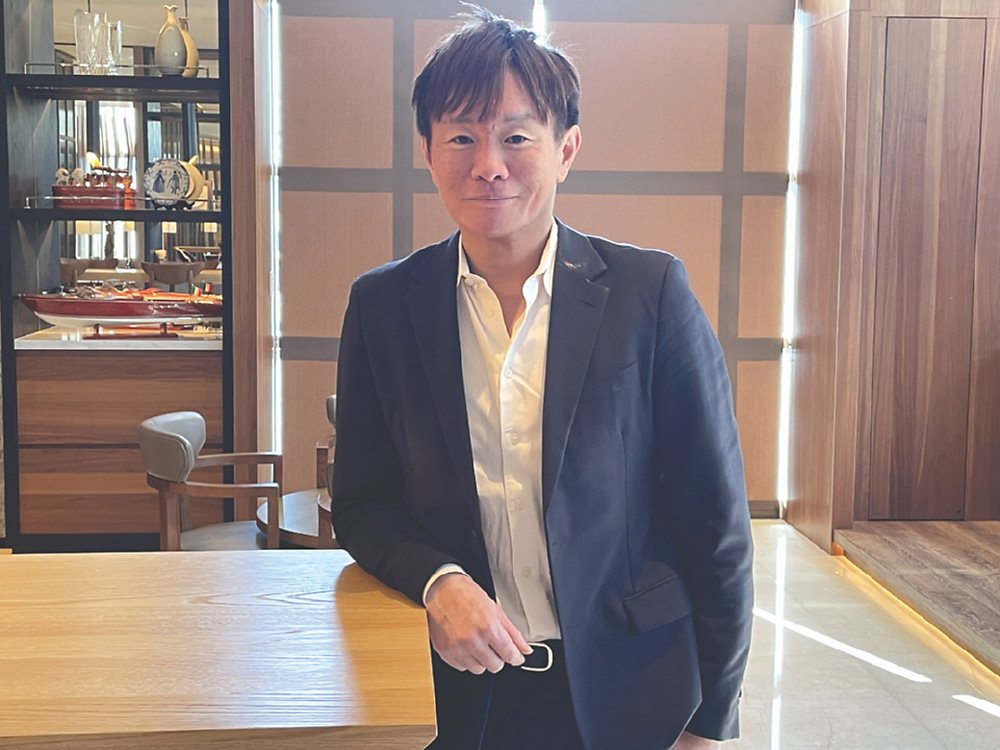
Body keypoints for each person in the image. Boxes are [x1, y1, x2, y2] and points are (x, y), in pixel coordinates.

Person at [330, 7, 754, 749]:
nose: (488, 164)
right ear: (428, 150)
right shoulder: (383, 306)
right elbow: (362, 503)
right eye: (461, 137)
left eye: (516, 137)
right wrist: (437, 580)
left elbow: (714, 520)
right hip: (457, 691)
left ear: (566, 149)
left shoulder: (649, 293)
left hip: (632, 691)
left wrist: (711, 722)